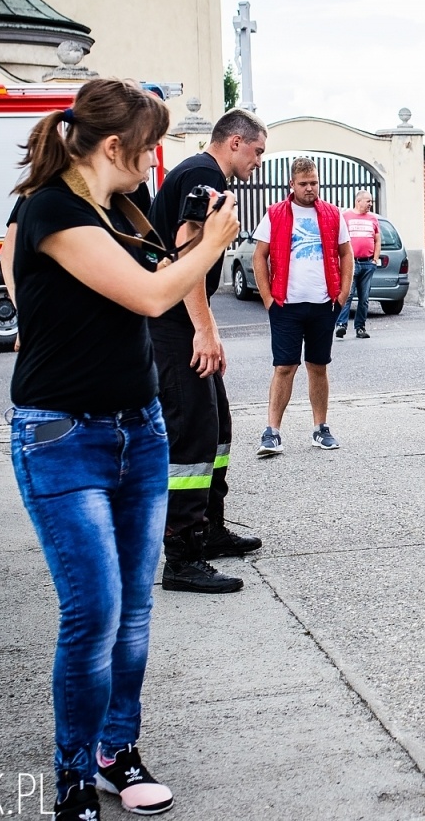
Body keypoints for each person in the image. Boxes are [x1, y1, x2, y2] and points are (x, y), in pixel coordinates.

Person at [8, 78, 239, 820]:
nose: (154, 160)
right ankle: (74, 772)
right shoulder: (50, 208)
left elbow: (127, 286)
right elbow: (150, 296)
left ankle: (117, 750)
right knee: (95, 613)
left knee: (133, 612)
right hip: (62, 437)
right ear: (114, 147)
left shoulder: (118, 212)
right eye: (148, 147)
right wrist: (214, 244)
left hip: (138, 429)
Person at [145, 108, 266, 594]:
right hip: (173, 324)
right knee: (192, 435)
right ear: (234, 142)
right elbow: (186, 252)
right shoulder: (204, 175)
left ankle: (210, 528)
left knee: (216, 427)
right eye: (257, 151)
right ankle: (182, 557)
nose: (258, 161)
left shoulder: (200, 173)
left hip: (181, 320)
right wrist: (203, 329)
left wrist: (206, 327)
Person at [252, 157, 354, 456]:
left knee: (318, 366)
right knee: (284, 367)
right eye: (304, 184)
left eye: (314, 183)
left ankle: (321, 428)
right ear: (292, 184)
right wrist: (267, 298)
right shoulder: (275, 214)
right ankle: (272, 432)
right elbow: (259, 256)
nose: (310, 188)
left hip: (324, 303)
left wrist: (343, 293)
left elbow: (346, 253)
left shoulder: (333, 214)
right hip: (286, 304)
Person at [336, 190, 379, 339]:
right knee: (347, 295)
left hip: (367, 263)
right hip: (351, 264)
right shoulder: (345, 216)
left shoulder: (373, 218)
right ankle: (341, 325)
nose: (370, 204)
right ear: (358, 201)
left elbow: (377, 240)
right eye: (368, 201)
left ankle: (360, 328)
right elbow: (339, 239)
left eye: (371, 201)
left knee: (364, 299)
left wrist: (375, 260)